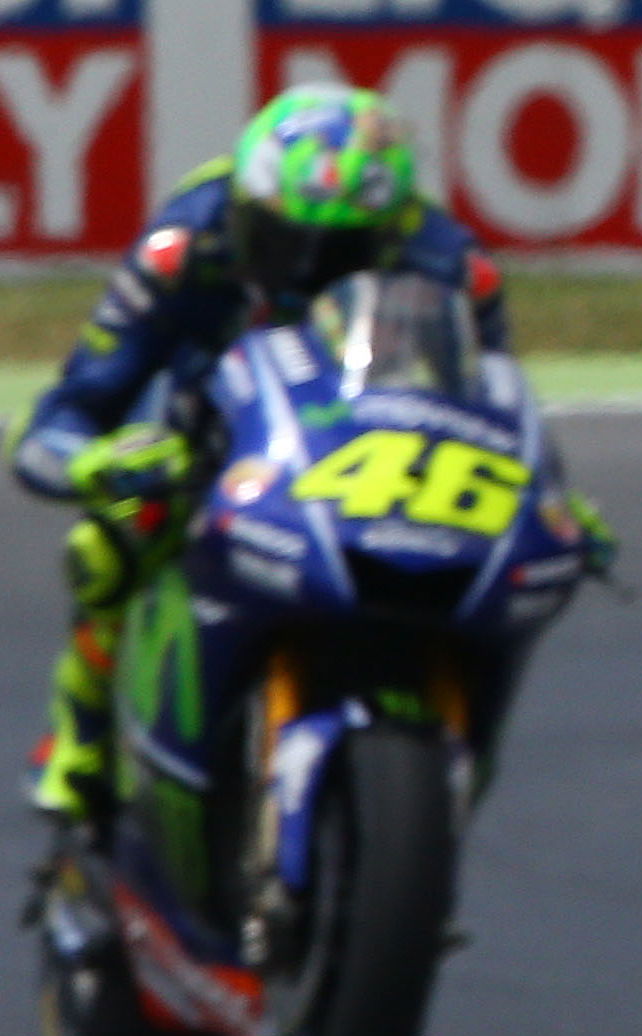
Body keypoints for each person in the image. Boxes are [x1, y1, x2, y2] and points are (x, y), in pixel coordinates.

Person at [11, 83, 611, 846]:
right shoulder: (183, 247)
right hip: (216, 429)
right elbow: (67, 411)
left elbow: (491, 405)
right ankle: (80, 741)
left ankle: (437, 781)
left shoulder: (454, 267)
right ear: (244, 205)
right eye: (279, 239)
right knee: (109, 544)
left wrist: (545, 496)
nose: (299, 273)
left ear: (390, 237)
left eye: (338, 256)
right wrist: (96, 462)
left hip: (371, 444)